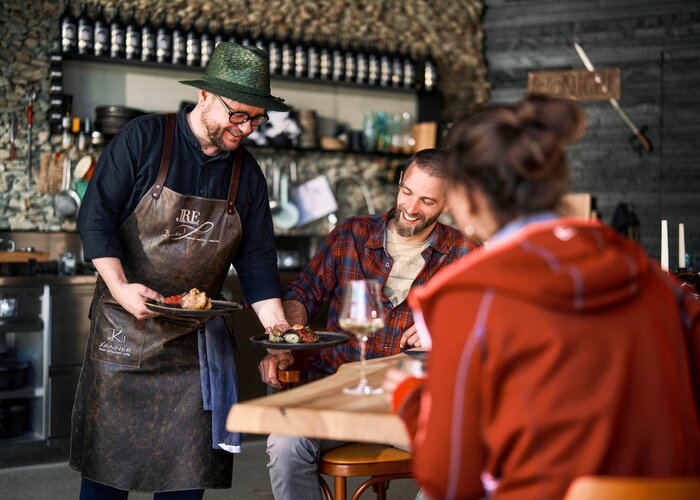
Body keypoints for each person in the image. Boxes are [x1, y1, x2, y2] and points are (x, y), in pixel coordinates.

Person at [384, 95, 700, 499]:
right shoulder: (645, 271)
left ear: (465, 199)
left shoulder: (466, 298)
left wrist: (412, 403)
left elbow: (451, 480)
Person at [72, 42, 294, 499]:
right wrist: (119, 286)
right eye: (239, 115)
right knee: (106, 475)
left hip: (194, 350)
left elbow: (256, 266)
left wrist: (280, 335)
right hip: (125, 332)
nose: (247, 128)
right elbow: (95, 219)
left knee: (186, 476)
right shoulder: (143, 139)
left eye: (256, 119)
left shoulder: (247, 174)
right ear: (206, 97)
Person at [259, 149, 479, 500]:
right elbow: (302, 294)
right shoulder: (351, 235)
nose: (411, 207)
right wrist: (284, 343)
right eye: (407, 191)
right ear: (400, 183)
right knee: (285, 443)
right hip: (338, 395)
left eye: (426, 200)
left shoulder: (466, 253)